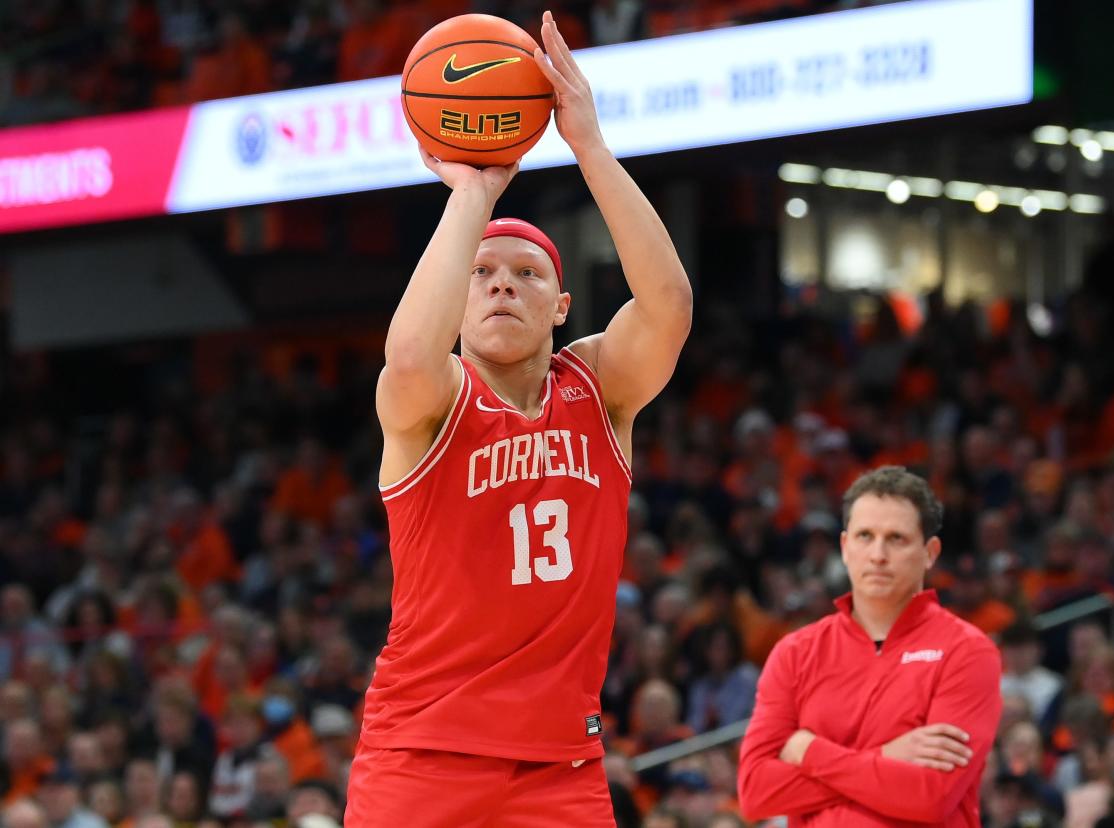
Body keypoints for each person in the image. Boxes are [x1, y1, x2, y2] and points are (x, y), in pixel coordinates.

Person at [344, 10, 692, 827]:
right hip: (422, 755)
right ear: (454, 307)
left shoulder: (600, 389)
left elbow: (669, 305)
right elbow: (408, 353)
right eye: (482, 274)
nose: (503, 285)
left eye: (527, 274)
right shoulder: (429, 403)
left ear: (562, 305)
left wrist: (591, 148)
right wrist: (475, 190)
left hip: (559, 766)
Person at [737, 466, 1003, 826]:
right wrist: (887, 755)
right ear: (845, 548)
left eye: (896, 538)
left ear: (930, 552)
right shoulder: (795, 652)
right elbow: (756, 793)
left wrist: (811, 751)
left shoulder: (967, 651)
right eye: (865, 536)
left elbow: (931, 796)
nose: (878, 554)